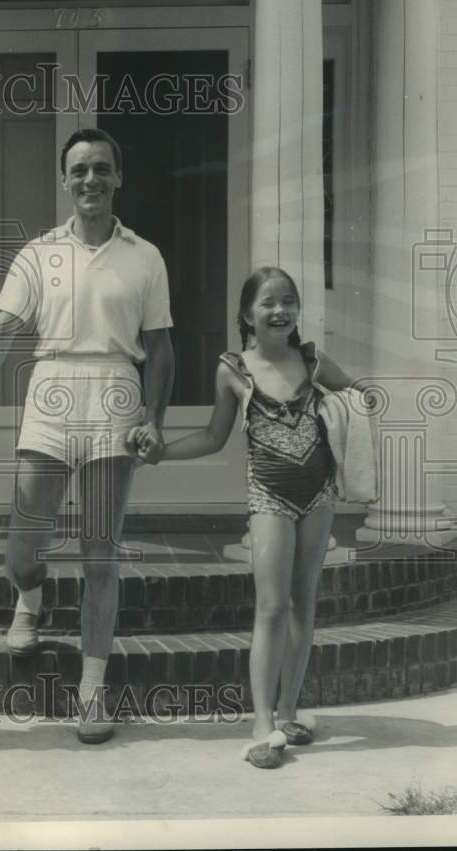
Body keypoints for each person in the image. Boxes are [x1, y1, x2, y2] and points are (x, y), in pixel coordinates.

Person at [0, 128, 175, 744]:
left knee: (100, 553)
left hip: (116, 393)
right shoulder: (38, 253)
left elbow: (162, 345)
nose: (91, 180)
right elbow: (1, 330)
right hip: (51, 389)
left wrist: (155, 416)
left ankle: (92, 691)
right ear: (65, 181)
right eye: (79, 171)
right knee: (24, 547)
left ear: (118, 177)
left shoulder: (144, 255)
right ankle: (30, 600)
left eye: (102, 168)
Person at [136, 266, 363, 768]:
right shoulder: (233, 369)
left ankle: (288, 710)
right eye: (267, 303)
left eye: (288, 301)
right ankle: (262, 724)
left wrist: (350, 414)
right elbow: (215, 437)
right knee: (272, 607)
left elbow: (358, 394)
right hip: (270, 498)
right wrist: (162, 453)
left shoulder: (313, 360)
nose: (279, 310)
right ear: (246, 314)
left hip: (319, 494)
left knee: (304, 603)